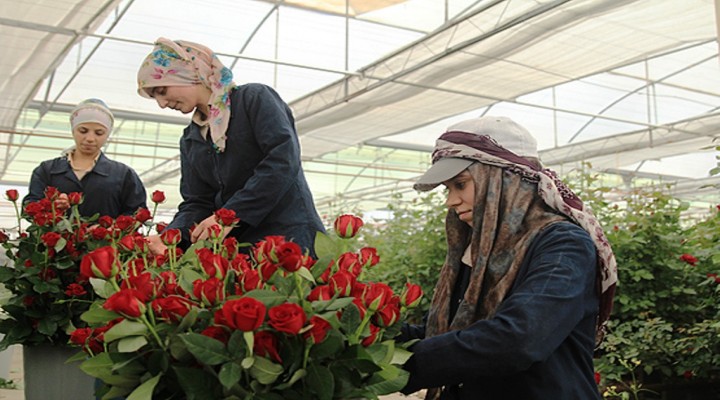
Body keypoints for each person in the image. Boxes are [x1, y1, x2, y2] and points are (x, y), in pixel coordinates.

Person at [398, 116, 618, 400]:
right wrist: (369, 337)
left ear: (504, 179)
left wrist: (403, 367)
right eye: (448, 189)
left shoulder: (562, 244)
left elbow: (520, 338)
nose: (450, 201)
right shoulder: (480, 251)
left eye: (460, 184)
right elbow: (447, 329)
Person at [136, 38, 324, 255]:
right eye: (154, 97)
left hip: (291, 238)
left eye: (161, 90)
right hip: (242, 249)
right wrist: (171, 237)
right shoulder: (191, 138)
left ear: (189, 73)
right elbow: (198, 201)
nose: (162, 103)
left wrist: (229, 215)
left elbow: (282, 161)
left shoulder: (253, 100)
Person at [25, 98, 147, 217]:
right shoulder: (47, 170)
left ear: (108, 135)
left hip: (104, 238)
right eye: (83, 131)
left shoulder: (123, 174)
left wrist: (111, 229)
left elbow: (137, 212)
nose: (90, 138)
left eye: (99, 133)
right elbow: (29, 207)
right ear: (73, 130)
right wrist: (49, 206)